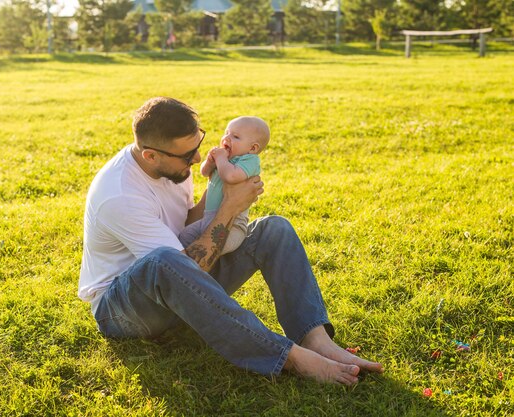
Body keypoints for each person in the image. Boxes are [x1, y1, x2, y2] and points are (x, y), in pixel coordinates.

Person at [78, 97, 383, 385]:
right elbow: (184, 268)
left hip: (178, 282)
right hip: (125, 310)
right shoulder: (120, 196)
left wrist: (222, 192)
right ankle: (291, 357)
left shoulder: (171, 165)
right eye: (188, 155)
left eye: (197, 145)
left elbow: (185, 220)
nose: (197, 158)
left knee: (273, 229)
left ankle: (316, 340)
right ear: (151, 155)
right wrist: (230, 208)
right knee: (165, 260)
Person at [179, 116, 269, 254]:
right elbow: (204, 172)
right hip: (207, 218)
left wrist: (220, 158)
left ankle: (210, 265)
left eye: (235, 136)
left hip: (233, 224)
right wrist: (210, 162)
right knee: (184, 237)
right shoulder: (225, 159)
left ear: (252, 148)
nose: (227, 138)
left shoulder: (249, 160)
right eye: (226, 133)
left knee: (216, 247)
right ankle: (187, 265)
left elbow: (231, 176)